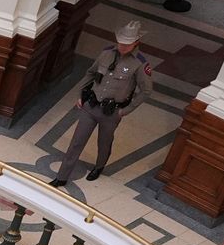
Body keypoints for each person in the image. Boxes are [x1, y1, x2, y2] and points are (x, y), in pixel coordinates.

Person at [50, 19, 150, 185]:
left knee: (104, 142)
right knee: (77, 142)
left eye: (127, 44)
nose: (122, 47)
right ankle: (61, 177)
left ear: (136, 43)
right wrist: (81, 95)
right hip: (92, 105)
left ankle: (99, 166)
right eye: (120, 43)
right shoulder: (107, 53)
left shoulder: (139, 64)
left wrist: (126, 110)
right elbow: (90, 73)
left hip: (112, 112)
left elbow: (146, 91)